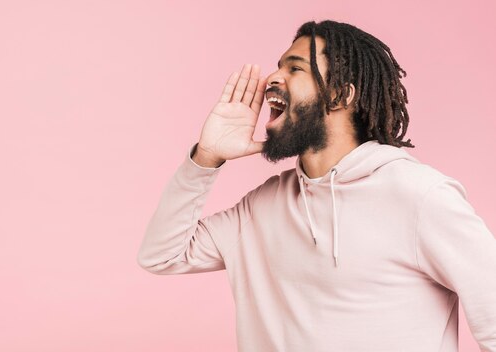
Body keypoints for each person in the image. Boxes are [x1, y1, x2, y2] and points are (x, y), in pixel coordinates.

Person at [136, 20, 496, 351]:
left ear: (341, 95)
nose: (272, 79)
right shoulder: (262, 208)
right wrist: (206, 158)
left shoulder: (420, 196)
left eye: (295, 68)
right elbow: (161, 255)